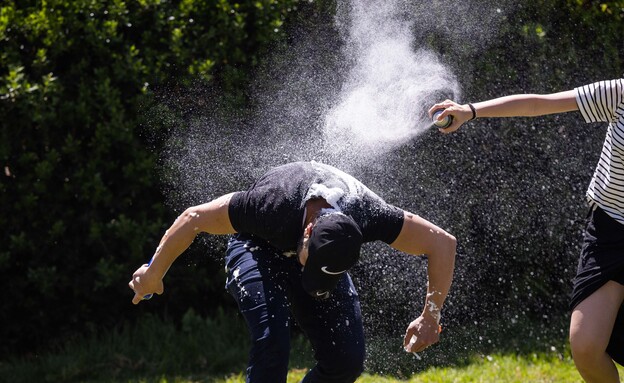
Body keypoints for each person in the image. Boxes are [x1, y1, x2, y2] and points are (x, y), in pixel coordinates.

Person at [128, 160, 457, 383]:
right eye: (311, 269)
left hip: (318, 249)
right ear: (307, 232)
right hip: (258, 249)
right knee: (273, 342)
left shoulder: (370, 213)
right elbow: (193, 219)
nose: (314, 286)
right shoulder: (271, 205)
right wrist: (154, 271)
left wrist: (431, 316)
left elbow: (442, 243)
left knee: (346, 361)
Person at [429, 78, 624, 383]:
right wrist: (470, 110)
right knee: (585, 345)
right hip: (610, 230)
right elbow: (539, 104)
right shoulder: (620, 92)